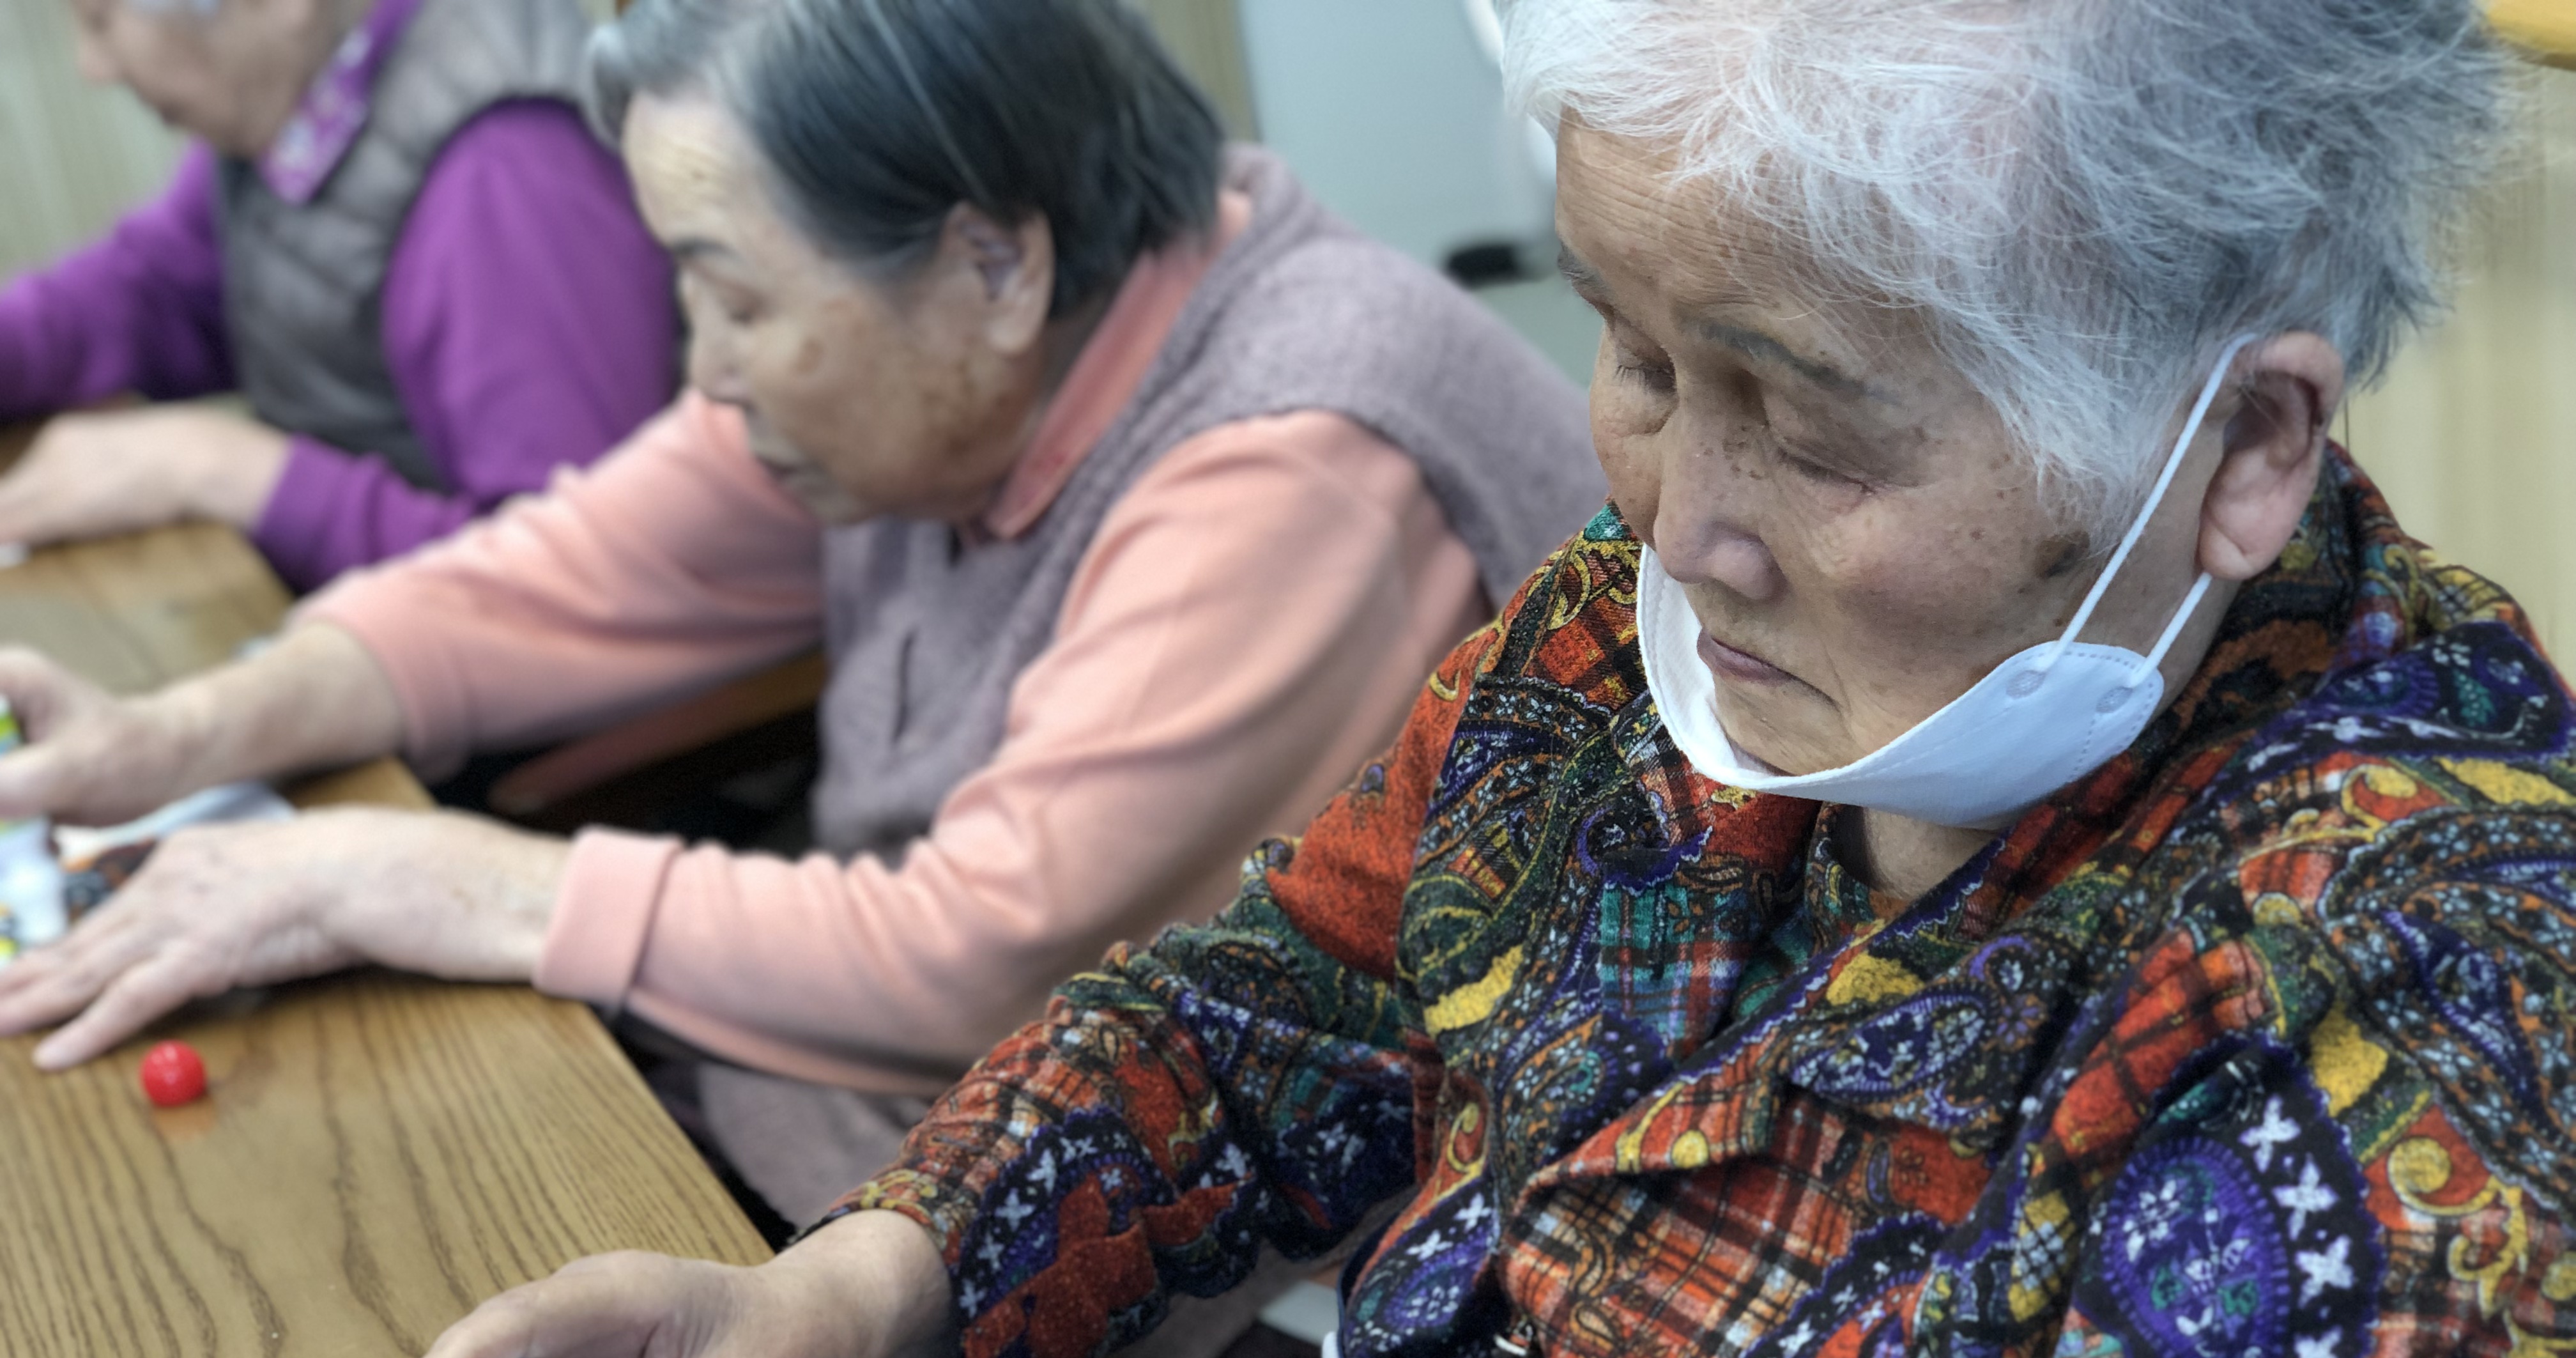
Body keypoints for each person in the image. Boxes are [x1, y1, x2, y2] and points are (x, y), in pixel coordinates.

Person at [366, 0, 2576, 1358]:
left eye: (1812, 426)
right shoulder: (1662, 636)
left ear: (2244, 446)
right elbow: (1296, 1002)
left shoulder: (2417, 981)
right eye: (1637, 354)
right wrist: (852, 1287)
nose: (1681, 518)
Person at [0, 0, 1604, 1227]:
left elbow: (971, 963)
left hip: (1236, 1251)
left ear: (992, 268)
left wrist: (439, 878)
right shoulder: (969, 341)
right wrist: (178, 732)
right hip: (929, 1126)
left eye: (739, 297)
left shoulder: (1290, 465)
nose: (702, 367)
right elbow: (550, 574)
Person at [0, 0, 677, 590]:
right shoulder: (300, 105)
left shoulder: (504, 170)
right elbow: (148, 292)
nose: (92, 67)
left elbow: (579, 576)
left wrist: (228, 473)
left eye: (102, 18)